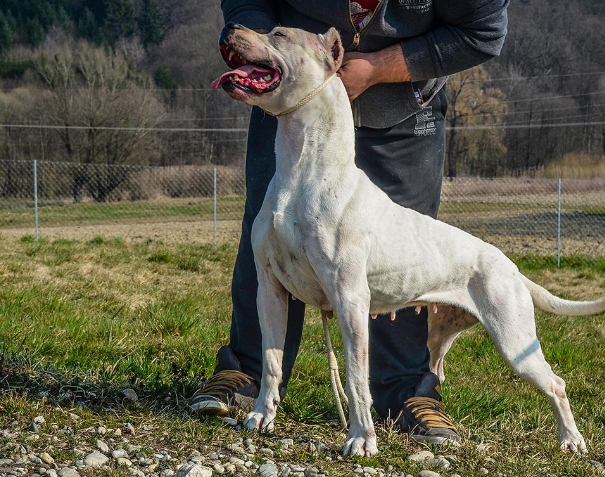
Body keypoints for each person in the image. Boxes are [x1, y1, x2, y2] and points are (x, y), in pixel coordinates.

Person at [190, 0, 509, 444]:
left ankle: (407, 394)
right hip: (294, 92)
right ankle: (247, 374)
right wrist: (265, 51)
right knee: (268, 232)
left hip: (403, 106)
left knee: (402, 252)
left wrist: (379, 67)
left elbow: (482, 32)